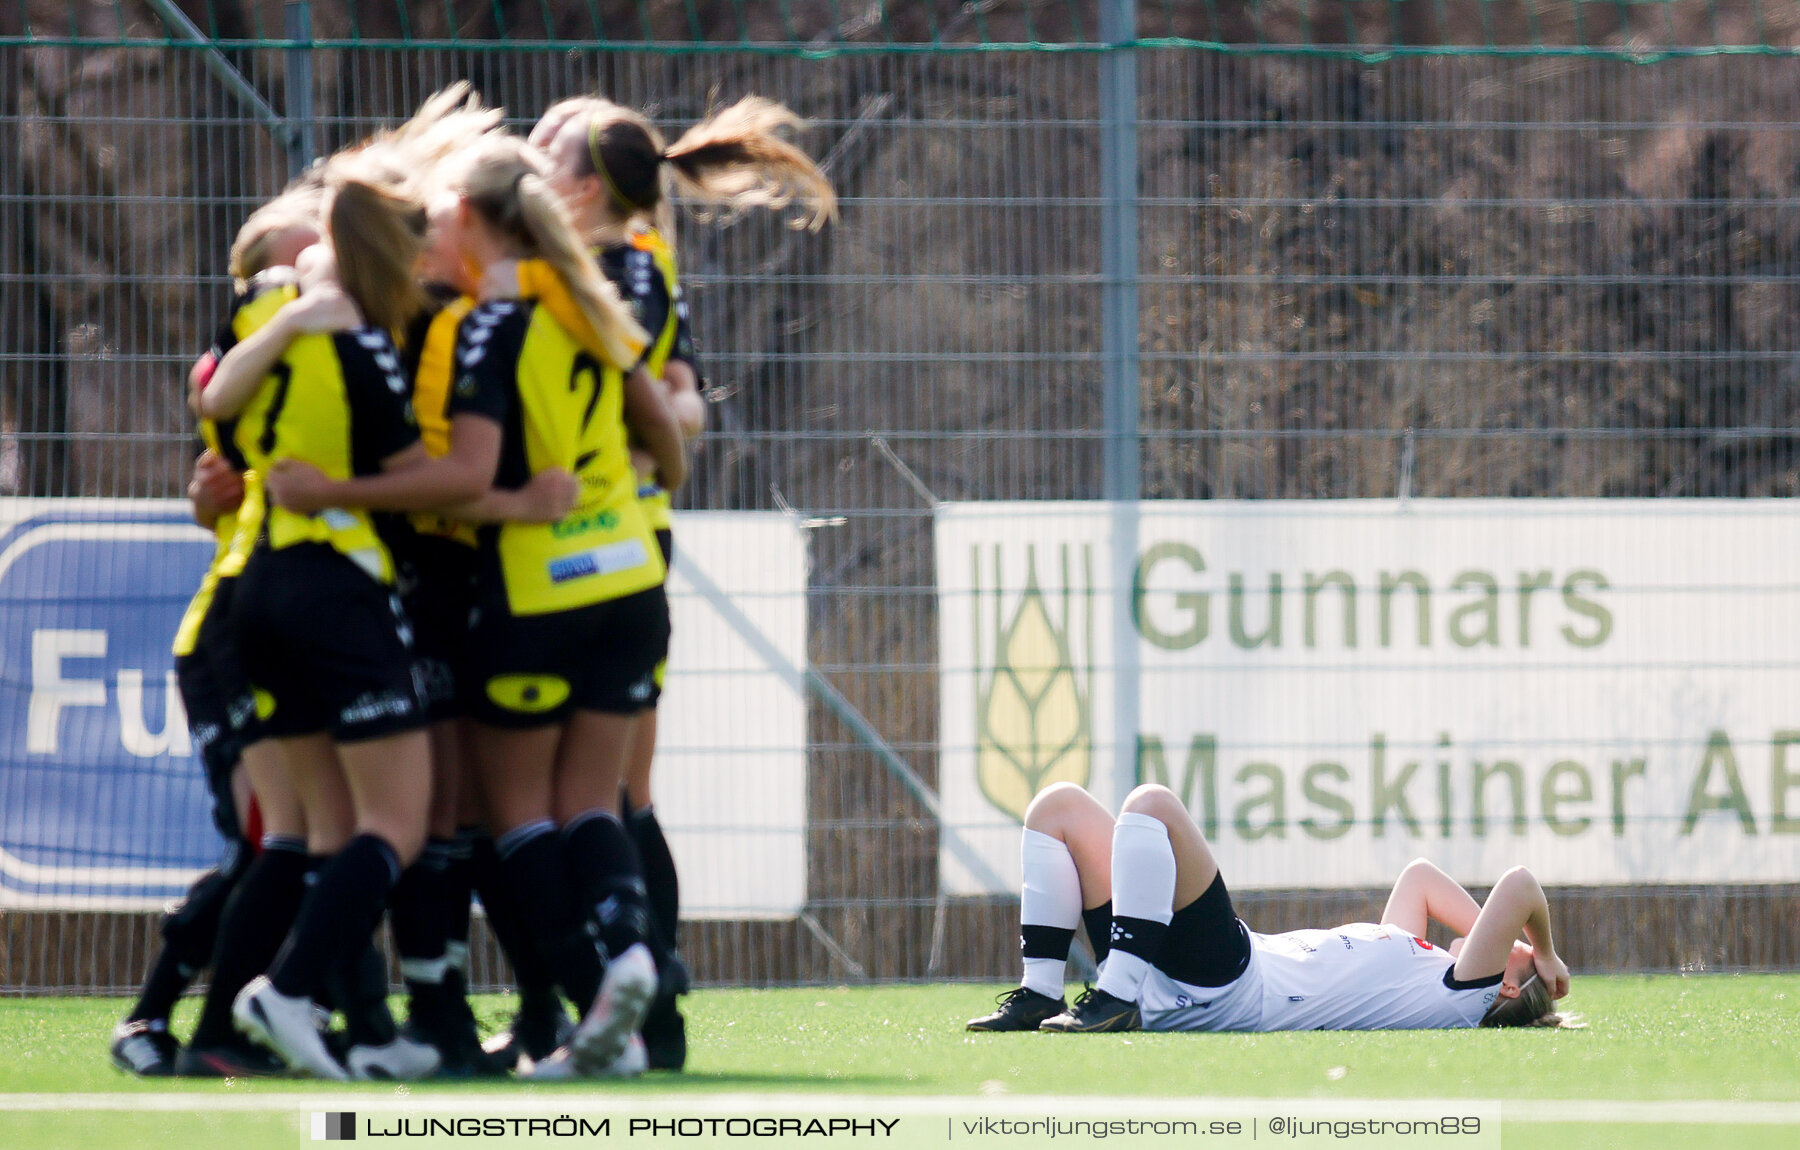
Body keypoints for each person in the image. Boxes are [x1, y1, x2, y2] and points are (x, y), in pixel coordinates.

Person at [525, 92, 837, 1069]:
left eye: (543, 142)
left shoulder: (612, 268)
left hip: (598, 543)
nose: (523, 153)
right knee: (602, 790)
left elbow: (677, 404)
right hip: (602, 541)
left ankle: (634, 991)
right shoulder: (608, 261)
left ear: (581, 181)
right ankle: (625, 996)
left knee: (597, 791)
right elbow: (685, 397)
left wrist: (656, 428)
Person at [224, 153, 494, 1081]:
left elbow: (213, 405)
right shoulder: (363, 344)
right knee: (399, 823)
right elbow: (437, 476)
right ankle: (286, 993)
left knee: (330, 830)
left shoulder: (264, 313)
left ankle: (366, 1034)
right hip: (337, 590)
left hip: (255, 583)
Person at [109, 189, 318, 1078]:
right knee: (275, 840)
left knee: (306, 843)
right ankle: (163, 1016)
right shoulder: (248, 360)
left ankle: (298, 1016)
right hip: (245, 629)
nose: (313, 271)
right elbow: (222, 427)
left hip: (302, 618)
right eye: (293, 261)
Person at [969, 782, 1573, 1033]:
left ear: (1507, 988)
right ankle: (1042, 993)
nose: (1507, 943)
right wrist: (1518, 954)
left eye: (1510, 958)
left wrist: (1543, 953)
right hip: (1193, 970)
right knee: (1058, 809)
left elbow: (1519, 886)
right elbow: (1417, 878)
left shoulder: (1462, 996)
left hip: (1233, 983)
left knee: (1151, 805)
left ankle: (1118, 997)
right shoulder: (1424, 968)